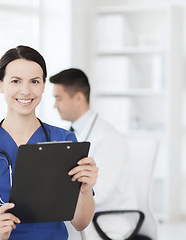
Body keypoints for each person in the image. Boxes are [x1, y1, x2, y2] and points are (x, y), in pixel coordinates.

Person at [0, 46, 98, 240]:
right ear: (0, 85)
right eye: (16, 81)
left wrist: (85, 190)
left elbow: (80, 223)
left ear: (44, 85)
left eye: (34, 81)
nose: (25, 90)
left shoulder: (65, 141)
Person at [50, 68, 137, 240]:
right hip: (81, 220)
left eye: (58, 98)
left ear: (79, 99)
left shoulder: (108, 138)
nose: (54, 105)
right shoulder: (69, 134)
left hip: (107, 223)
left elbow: (100, 192)